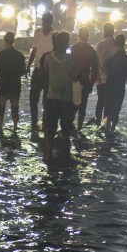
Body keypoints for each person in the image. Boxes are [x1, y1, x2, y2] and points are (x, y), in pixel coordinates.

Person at [43, 31, 79, 162]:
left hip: (52, 97)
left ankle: (47, 156)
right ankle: (66, 157)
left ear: (56, 43)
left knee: (50, 131)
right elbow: (76, 76)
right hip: (66, 99)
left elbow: (46, 71)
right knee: (66, 132)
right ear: (67, 43)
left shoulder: (48, 58)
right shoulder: (73, 60)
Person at [27, 12, 56, 130]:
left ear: (50, 23)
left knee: (46, 99)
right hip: (37, 68)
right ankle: (34, 121)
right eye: (44, 22)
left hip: (48, 72)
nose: (45, 25)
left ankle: (44, 122)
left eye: (47, 23)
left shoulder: (54, 35)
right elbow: (34, 50)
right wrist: (28, 65)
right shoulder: (37, 32)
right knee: (33, 97)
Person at [0, 31, 26, 134]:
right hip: (15, 85)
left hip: (3, 84)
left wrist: (4, 75)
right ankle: (15, 127)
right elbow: (22, 71)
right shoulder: (20, 55)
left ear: (5, 41)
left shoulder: (2, 54)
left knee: (1, 108)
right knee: (15, 108)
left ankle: (0, 126)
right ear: (13, 41)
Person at [103, 35, 127, 133]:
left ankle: (107, 126)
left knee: (108, 105)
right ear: (124, 44)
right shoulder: (126, 58)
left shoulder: (110, 56)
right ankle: (112, 128)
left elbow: (105, 68)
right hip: (120, 86)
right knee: (117, 107)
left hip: (109, 84)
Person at [70, 26, 99, 131]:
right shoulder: (91, 50)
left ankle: (70, 126)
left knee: (72, 105)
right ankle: (79, 128)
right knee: (82, 106)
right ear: (88, 36)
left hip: (73, 81)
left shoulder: (73, 48)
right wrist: (91, 83)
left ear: (78, 36)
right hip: (85, 81)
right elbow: (94, 69)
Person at [94, 22, 117, 125]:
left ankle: (98, 121)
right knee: (110, 102)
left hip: (101, 79)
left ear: (104, 32)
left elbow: (96, 62)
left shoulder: (100, 45)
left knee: (100, 102)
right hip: (112, 79)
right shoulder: (117, 45)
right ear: (113, 32)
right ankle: (106, 123)